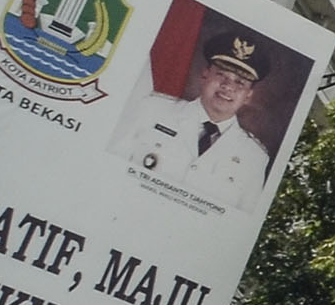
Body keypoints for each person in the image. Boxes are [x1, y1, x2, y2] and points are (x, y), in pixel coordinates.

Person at [111, 27, 273, 210]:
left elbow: (238, 225)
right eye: (221, 74)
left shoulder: (254, 158)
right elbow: (111, 167)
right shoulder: (151, 109)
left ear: (248, 96)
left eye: (240, 82)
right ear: (205, 75)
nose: (228, 86)